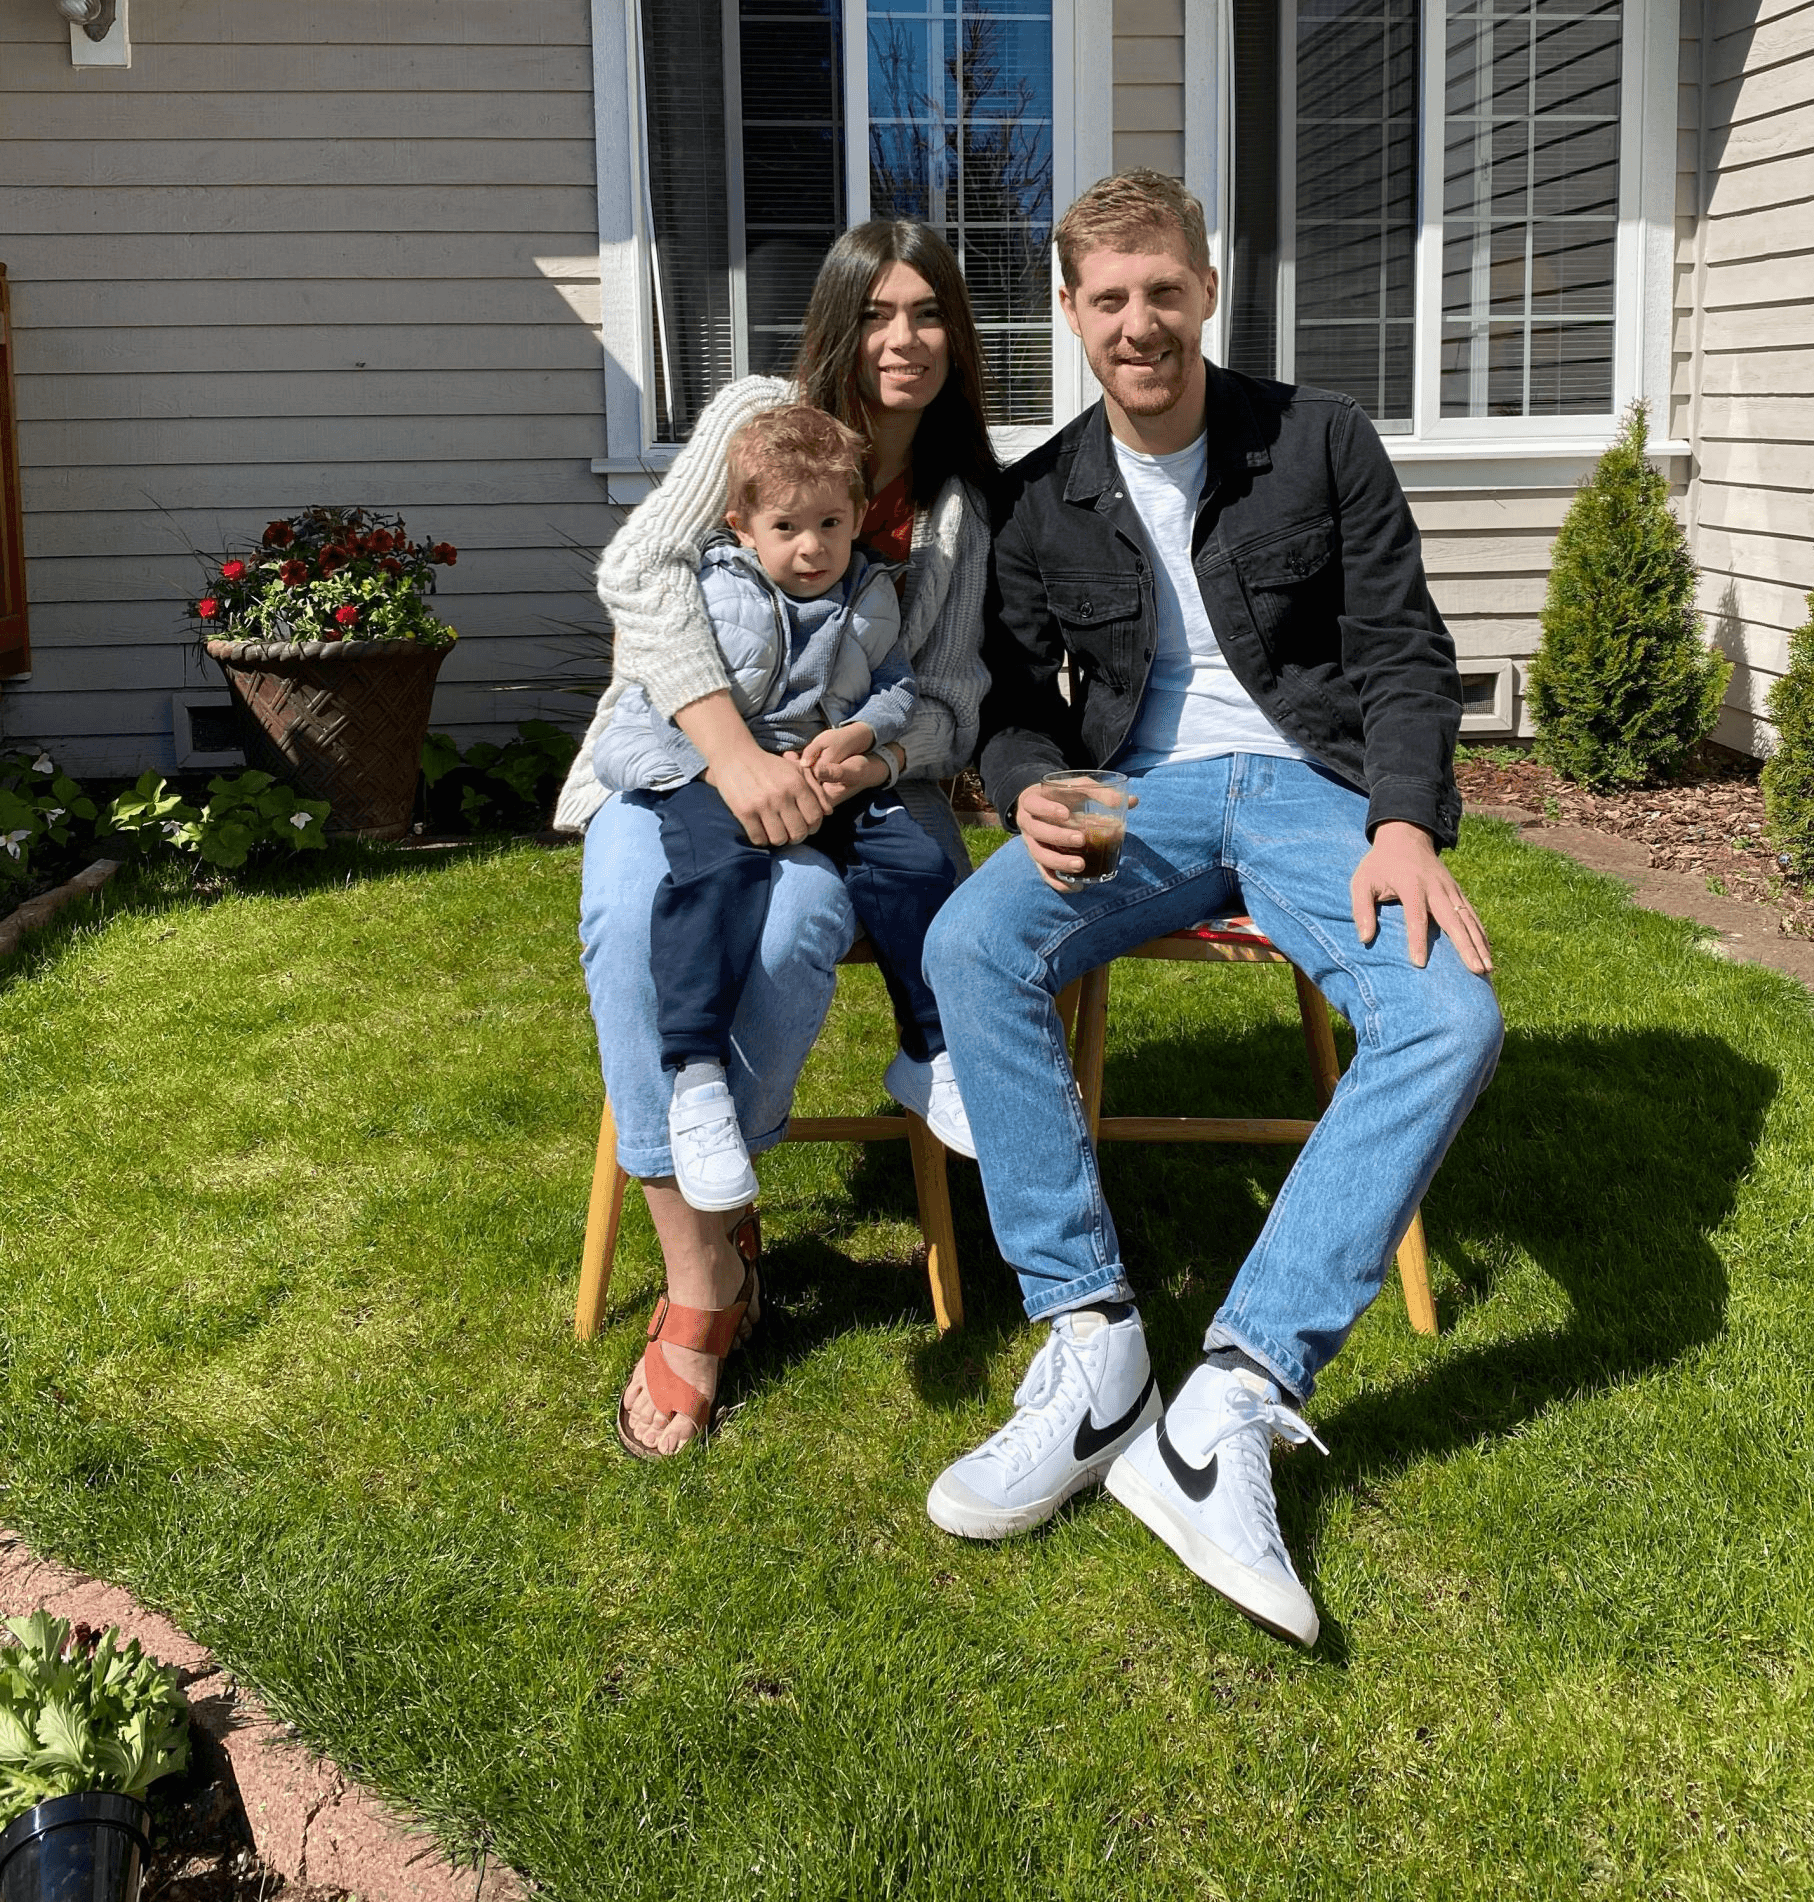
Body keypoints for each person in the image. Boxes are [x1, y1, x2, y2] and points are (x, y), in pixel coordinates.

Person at [921, 171, 1502, 1645]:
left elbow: (1404, 654)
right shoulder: (1038, 497)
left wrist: (1404, 823)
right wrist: (1034, 782)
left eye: (1162, 291)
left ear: (1208, 290)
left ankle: (1229, 1401)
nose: (1139, 323)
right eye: (1108, 299)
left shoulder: (1317, 442)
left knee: (1450, 1016)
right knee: (972, 940)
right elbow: (1005, 695)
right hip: (1140, 797)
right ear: (1068, 314)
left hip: (1311, 793)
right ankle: (1095, 1344)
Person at [556, 218, 995, 1458]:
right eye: (878, 313)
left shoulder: (959, 504)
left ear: (958, 335)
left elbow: (949, 695)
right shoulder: (755, 420)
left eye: (928, 314)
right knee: (629, 914)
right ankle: (702, 1279)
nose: (902, 340)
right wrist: (731, 756)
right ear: (840, 320)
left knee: (804, 923)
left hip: (838, 789)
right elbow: (639, 574)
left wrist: (881, 755)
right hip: (681, 764)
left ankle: (721, 1181)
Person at [590, 403, 960, 1212]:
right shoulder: (711, 586)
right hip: (702, 771)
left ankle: (929, 1047)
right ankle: (693, 1077)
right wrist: (725, 763)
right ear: (743, 525)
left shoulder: (871, 595)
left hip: (822, 777)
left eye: (831, 523)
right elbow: (660, 688)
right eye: (786, 525)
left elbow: (897, 684)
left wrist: (864, 738)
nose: (811, 546)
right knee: (713, 877)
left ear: (861, 516)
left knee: (918, 863)